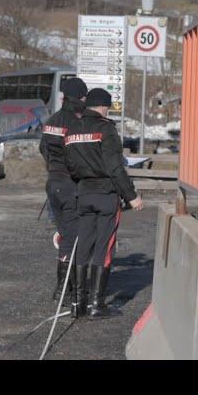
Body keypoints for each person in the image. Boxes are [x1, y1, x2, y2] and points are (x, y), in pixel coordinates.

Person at [64, 88, 143, 318]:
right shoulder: (106, 129)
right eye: (107, 107)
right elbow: (115, 168)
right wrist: (131, 196)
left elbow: (70, 166)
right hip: (106, 194)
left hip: (83, 194)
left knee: (84, 245)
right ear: (103, 107)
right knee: (103, 248)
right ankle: (96, 305)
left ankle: (78, 304)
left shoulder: (71, 130)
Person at [39, 77, 88, 304]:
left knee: (65, 232)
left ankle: (66, 289)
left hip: (53, 183)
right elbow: (79, 155)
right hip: (69, 184)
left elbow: (43, 149)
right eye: (84, 96)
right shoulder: (76, 122)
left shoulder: (52, 120)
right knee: (72, 236)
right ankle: (64, 291)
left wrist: (53, 167)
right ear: (79, 97)